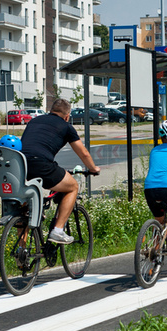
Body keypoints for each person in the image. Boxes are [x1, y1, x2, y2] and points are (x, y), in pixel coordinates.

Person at [19, 98, 100, 243]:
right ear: (67, 116)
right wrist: (94, 169)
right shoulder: (66, 126)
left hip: (21, 165)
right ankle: (58, 231)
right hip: (41, 164)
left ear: (51, 111)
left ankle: (22, 252)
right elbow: (84, 153)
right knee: (73, 186)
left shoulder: (34, 121)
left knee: (25, 210)